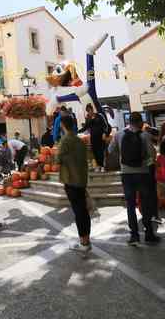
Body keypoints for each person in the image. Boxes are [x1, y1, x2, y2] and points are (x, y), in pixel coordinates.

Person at [108, 113, 159, 245]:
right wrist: (144, 163)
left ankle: (134, 236)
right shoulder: (145, 136)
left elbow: (110, 150)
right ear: (140, 122)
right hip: (143, 174)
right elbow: (152, 155)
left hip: (126, 174)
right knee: (145, 203)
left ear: (129, 122)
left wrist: (122, 158)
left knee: (130, 205)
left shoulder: (119, 135)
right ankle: (149, 233)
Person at [58, 112, 92, 253]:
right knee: (83, 210)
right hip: (81, 179)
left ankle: (83, 242)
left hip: (71, 180)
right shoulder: (79, 140)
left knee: (78, 211)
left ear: (62, 125)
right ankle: (87, 238)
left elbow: (58, 160)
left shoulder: (65, 140)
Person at [79, 104, 110, 172]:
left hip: (101, 137)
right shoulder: (88, 118)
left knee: (101, 151)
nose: (89, 112)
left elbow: (106, 125)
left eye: (90, 110)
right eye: (88, 111)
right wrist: (78, 131)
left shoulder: (99, 116)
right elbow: (85, 127)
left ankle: (102, 166)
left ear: (92, 109)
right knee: (95, 152)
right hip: (93, 137)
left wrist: (105, 133)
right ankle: (98, 165)